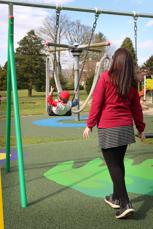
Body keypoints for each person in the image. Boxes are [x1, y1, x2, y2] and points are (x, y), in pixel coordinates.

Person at [83, 48, 145, 219]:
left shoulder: (105, 77)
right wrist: (140, 128)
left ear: (115, 61)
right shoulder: (132, 83)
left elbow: (97, 103)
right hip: (125, 127)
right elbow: (136, 108)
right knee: (118, 163)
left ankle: (125, 203)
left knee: (114, 166)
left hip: (109, 126)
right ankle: (115, 197)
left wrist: (90, 124)